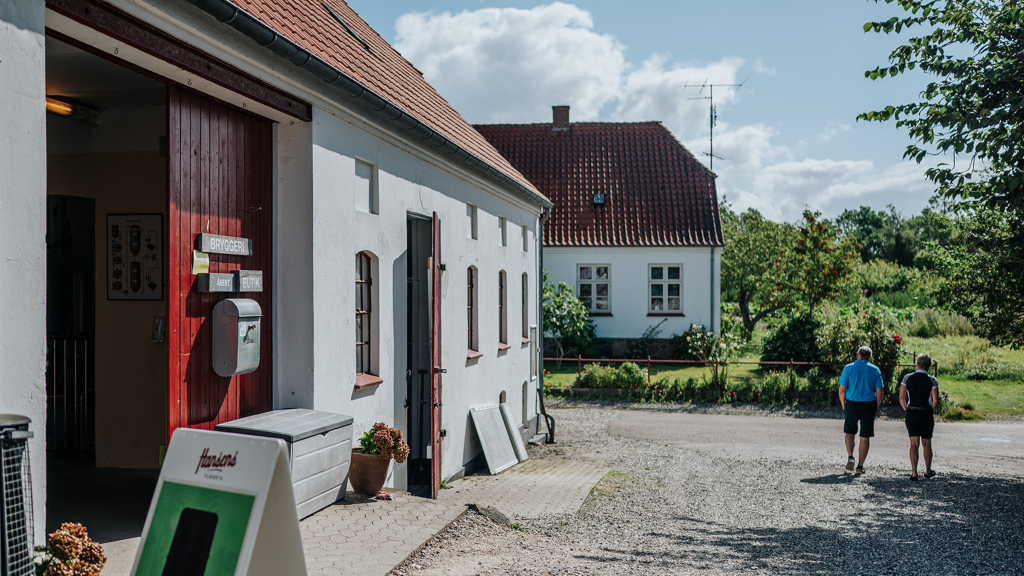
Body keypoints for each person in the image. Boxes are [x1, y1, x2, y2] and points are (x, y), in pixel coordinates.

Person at [838, 346, 885, 475]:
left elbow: (842, 389)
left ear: (857, 354)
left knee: (849, 432)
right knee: (865, 436)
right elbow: (880, 391)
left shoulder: (848, 368)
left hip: (852, 403)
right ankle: (860, 466)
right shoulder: (875, 370)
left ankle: (850, 456)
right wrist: (876, 405)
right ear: (869, 357)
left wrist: (843, 404)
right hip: (868, 404)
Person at [900, 354, 939, 481]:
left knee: (913, 444)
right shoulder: (932, 379)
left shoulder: (907, 378)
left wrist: (906, 409)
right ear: (929, 366)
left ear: (917, 364)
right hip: (925, 412)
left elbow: (901, 397)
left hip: (912, 412)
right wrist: (930, 411)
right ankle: (927, 471)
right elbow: (935, 400)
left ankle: (914, 472)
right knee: (927, 443)